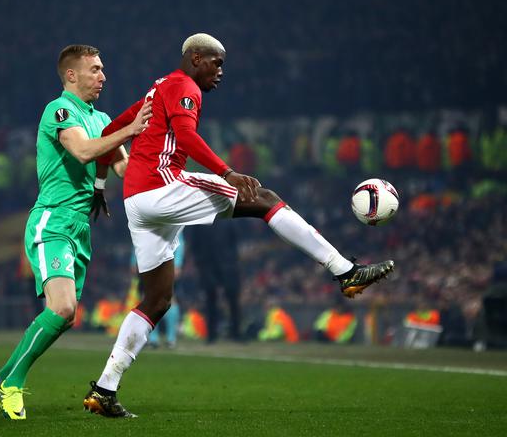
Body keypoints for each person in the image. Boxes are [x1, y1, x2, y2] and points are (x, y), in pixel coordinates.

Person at [83, 33, 394, 418]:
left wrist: (100, 185)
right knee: (263, 197)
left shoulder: (158, 86)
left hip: (137, 202)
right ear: (196, 58)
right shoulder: (184, 86)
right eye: (216, 62)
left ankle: (104, 389)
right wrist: (226, 172)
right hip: (163, 186)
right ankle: (345, 270)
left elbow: (108, 131)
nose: (221, 72)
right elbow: (185, 136)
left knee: (157, 300)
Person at [0, 44, 151, 420]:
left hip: (79, 229)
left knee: (67, 315)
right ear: (71, 75)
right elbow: (85, 152)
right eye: (95, 69)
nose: (103, 76)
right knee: (63, 307)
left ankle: (0, 377)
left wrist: (155, 149)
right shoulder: (59, 111)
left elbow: (122, 169)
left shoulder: (103, 117)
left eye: (103, 69)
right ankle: (12, 383)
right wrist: (130, 129)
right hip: (52, 221)